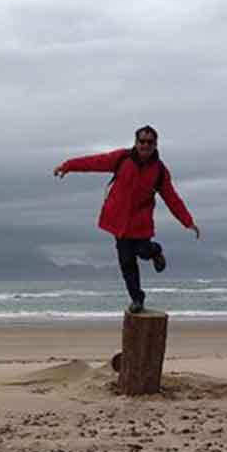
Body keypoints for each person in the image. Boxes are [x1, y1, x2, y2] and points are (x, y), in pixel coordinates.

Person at [53, 125, 200, 313]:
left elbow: (172, 198)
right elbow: (94, 162)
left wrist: (188, 222)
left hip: (141, 224)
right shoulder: (122, 158)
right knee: (127, 264)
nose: (145, 145)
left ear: (155, 145)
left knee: (143, 251)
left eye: (149, 142)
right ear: (136, 142)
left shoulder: (160, 171)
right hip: (118, 223)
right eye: (142, 141)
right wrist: (68, 166)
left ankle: (155, 251)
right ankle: (137, 299)